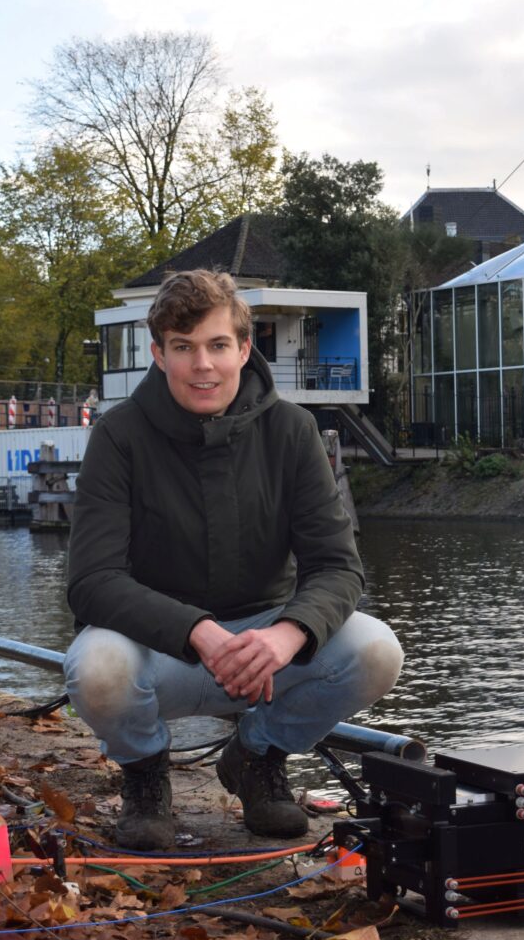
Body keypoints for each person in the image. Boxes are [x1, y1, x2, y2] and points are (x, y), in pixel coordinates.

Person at [63, 269, 403, 851]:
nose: (204, 365)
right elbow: (92, 581)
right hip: (157, 649)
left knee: (376, 651)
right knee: (95, 666)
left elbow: (338, 567)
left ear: (245, 348)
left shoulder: (292, 430)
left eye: (218, 345)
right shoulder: (118, 436)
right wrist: (195, 630)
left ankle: (257, 756)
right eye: (184, 348)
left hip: (261, 648)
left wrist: (289, 634)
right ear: (159, 354)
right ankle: (144, 774)